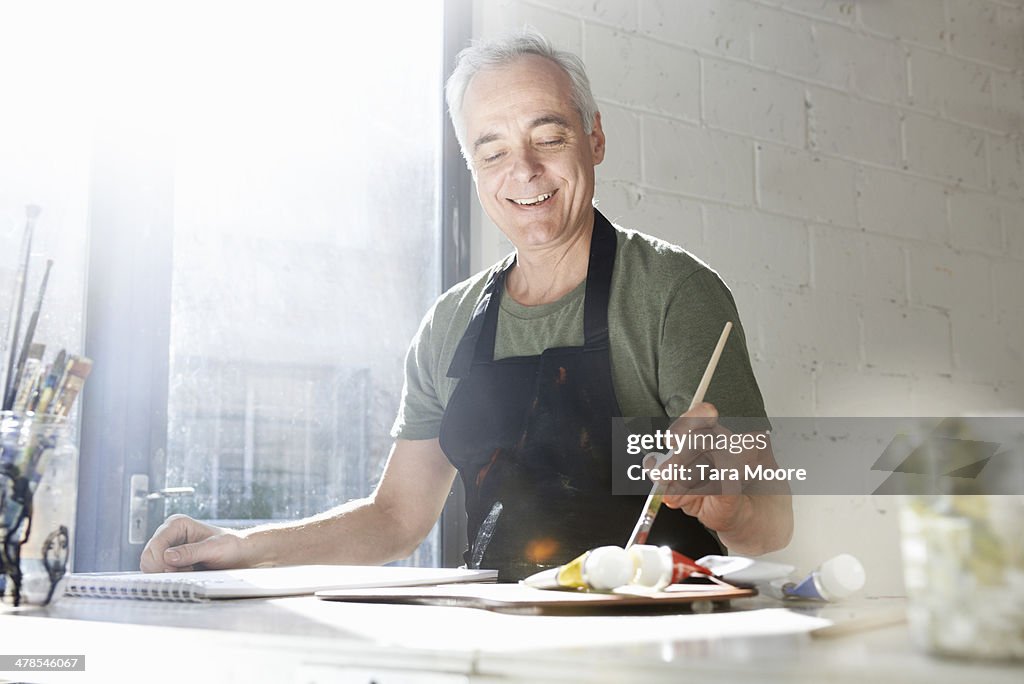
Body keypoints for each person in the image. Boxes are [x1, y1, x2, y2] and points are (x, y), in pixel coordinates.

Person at [141, 30, 793, 580]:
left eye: (550, 137)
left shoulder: (674, 294)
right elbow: (395, 520)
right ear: (472, 166)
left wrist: (727, 504)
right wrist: (245, 547)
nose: (525, 171)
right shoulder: (450, 323)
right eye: (494, 150)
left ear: (594, 138)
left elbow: (772, 524)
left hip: (665, 646)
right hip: (494, 645)